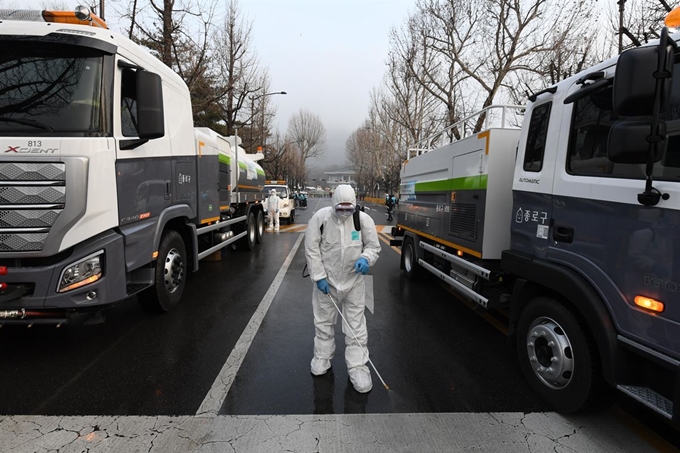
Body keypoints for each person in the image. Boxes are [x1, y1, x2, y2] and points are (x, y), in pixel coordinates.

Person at [305, 184, 381, 393]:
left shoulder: (363, 220)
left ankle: (358, 367)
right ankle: (322, 358)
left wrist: (366, 259)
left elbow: (374, 246)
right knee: (323, 323)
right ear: (333, 205)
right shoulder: (321, 219)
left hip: (354, 282)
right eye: (341, 209)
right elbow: (311, 249)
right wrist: (319, 277)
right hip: (327, 284)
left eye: (349, 209)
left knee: (356, 326)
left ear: (355, 206)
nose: (345, 213)